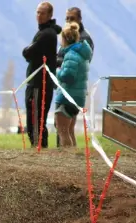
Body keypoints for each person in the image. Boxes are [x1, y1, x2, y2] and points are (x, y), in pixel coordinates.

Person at [22, 1, 61, 148]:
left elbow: (29, 52)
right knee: (33, 119)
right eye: (37, 12)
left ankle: (39, 149)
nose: (39, 15)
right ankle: (37, 147)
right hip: (35, 82)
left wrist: (27, 51)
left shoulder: (47, 34)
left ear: (50, 15)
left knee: (36, 119)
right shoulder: (43, 32)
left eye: (42, 13)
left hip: (40, 84)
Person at [56, 7, 94, 147]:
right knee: (68, 129)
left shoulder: (75, 49)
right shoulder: (80, 47)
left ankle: (67, 159)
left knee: (63, 129)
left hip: (70, 92)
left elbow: (69, 74)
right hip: (75, 93)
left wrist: (57, 73)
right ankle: (73, 158)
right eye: (66, 18)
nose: (68, 21)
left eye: (71, 18)